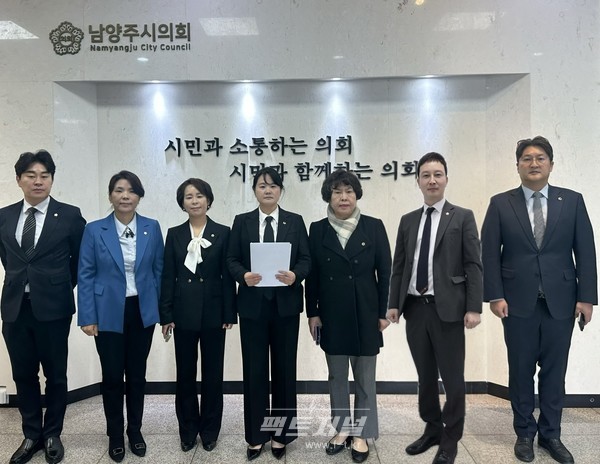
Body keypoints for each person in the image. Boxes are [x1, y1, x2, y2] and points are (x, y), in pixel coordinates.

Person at [481, 136, 596, 464]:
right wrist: (495, 295)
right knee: (520, 371)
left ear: (551, 164)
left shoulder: (572, 201)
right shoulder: (501, 203)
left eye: (540, 158)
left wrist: (587, 298)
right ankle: (524, 433)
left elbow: (585, 251)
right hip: (516, 302)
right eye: (527, 158)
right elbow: (489, 252)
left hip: (562, 301)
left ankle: (551, 434)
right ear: (517, 165)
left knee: (554, 372)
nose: (534, 163)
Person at [387, 152, 483, 464]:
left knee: (453, 379)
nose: (432, 180)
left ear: (446, 179)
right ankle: (432, 428)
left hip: (450, 310)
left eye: (437, 174)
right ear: (417, 181)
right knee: (425, 376)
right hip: (415, 309)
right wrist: (393, 304)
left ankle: (450, 438)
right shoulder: (408, 220)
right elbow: (399, 266)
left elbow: (473, 264)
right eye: (426, 175)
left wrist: (474, 307)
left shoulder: (462, 216)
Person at [0, 150, 86, 464]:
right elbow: (9, 260)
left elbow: (79, 261)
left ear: (51, 179)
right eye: (31, 175)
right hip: (15, 308)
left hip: (54, 308)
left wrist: (55, 285)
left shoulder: (70, 215)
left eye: (44, 176)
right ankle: (31, 435)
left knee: (55, 375)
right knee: (23, 374)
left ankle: (52, 434)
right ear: (19, 179)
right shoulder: (4, 216)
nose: (38, 181)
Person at [77, 171, 164, 463]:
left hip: (142, 310)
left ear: (139, 196)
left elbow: (159, 271)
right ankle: (115, 434)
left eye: (131, 191)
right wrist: (87, 316)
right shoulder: (94, 230)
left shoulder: (152, 227)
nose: (125, 196)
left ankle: (134, 430)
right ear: (110, 195)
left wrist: (162, 312)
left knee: (137, 375)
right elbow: (85, 274)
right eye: (118, 190)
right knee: (113, 375)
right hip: (107, 312)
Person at [306, 169, 391, 463]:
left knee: (365, 376)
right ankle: (342, 429)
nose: (344, 197)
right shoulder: (318, 229)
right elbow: (312, 276)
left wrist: (383, 312)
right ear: (328, 196)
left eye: (349, 191)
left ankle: (362, 433)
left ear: (357, 195)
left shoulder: (374, 227)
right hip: (332, 313)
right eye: (337, 192)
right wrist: (313, 313)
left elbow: (386, 272)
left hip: (367, 311)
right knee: (337, 375)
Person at [226, 167, 311, 461]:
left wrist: (296, 275)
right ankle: (256, 435)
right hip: (253, 306)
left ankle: (280, 435)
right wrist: (243, 276)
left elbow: (306, 259)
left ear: (280, 191)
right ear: (254, 191)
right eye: (262, 186)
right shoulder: (242, 221)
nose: (268, 190)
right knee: (255, 371)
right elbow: (231, 259)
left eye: (273, 186)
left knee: (285, 371)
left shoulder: (295, 221)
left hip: (286, 306)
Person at [159, 178, 236, 453]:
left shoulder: (223, 232)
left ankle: (210, 430)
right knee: (185, 375)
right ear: (182, 203)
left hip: (214, 312)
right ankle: (188, 430)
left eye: (199, 195)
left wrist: (229, 312)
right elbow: (168, 276)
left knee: (213, 375)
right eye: (189, 196)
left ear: (208, 200)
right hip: (183, 313)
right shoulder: (174, 234)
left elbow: (228, 276)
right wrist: (165, 314)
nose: (194, 201)